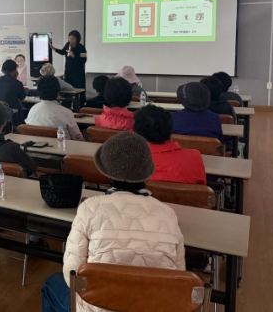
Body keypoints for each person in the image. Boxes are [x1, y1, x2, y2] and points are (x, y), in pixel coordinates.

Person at [41, 132, 185, 312]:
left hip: (97, 307)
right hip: (154, 307)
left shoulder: (89, 208)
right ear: (147, 172)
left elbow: (72, 276)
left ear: (107, 172)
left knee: (51, 284)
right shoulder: (168, 214)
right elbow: (178, 276)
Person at [133, 105, 207, 185]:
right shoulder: (195, 158)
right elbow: (202, 188)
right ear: (170, 127)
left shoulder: (132, 162)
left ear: (137, 132)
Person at [25, 76, 84, 141]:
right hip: (62, 146)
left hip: (34, 145)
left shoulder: (33, 109)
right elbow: (78, 138)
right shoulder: (66, 112)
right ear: (58, 93)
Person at [50, 30, 87, 104]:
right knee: (67, 90)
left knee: (78, 90)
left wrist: (74, 56)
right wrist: (53, 48)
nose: (71, 40)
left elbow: (84, 60)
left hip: (78, 73)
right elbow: (63, 52)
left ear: (77, 39)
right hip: (68, 72)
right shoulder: (68, 45)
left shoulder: (81, 48)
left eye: (73, 39)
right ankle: (66, 105)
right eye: (69, 38)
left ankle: (80, 106)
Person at [0, 59, 27, 124]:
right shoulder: (17, 83)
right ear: (15, 70)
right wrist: (15, 79)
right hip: (11, 114)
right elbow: (22, 97)